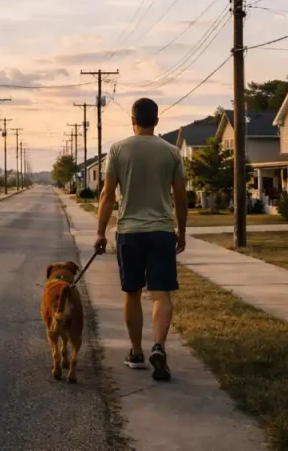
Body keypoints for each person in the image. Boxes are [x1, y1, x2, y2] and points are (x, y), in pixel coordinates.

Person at [94, 97, 187, 381]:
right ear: (157, 121)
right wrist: (181, 231)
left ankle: (136, 352)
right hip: (160, 232)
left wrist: (100, 233)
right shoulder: (172, 152)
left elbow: (108, 195)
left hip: (130, 233)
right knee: (162, 294)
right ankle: (158, 345)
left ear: (132, 120)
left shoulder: (118, 149)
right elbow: (181, 197)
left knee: (132, 293)